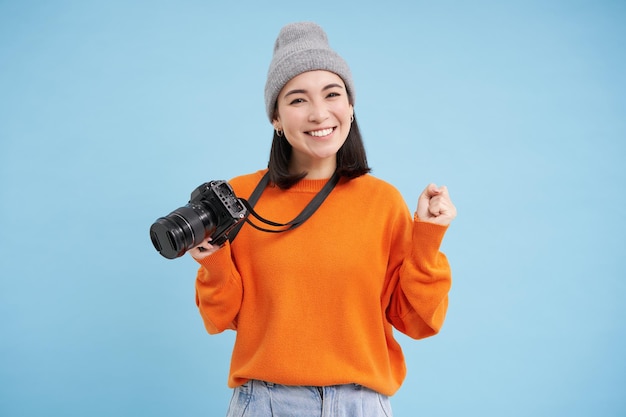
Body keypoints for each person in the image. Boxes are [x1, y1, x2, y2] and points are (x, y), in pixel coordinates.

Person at [190, 21, 457, 417]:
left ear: (350, 106)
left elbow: (417, 322)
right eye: (297, 100)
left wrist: (428, 238)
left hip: (360, 404)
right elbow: (221, 318)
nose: (319, 113)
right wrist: (212, 260)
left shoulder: (381, 201)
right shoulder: (240, 198)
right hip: (265, 402)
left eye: (332, 94)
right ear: (276, 118)